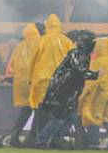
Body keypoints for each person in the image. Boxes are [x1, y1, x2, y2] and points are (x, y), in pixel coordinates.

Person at [36, 30, 99, 149]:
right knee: (60, 116)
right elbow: (79, 71)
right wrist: (95, 75)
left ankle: (55, 139)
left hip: (69, 90)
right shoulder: (77, 54)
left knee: (70, 117)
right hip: (64, 89)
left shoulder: (81, 54)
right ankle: (43, 140)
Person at [26, 14, 74, 145]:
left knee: (42, 111)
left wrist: (30, 78)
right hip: (61, 82)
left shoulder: (41, 41)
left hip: (42, 80)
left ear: (47, 25)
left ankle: (39, 139)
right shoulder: (67, 41)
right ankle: (55, 139)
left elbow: (32, 61)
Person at [79, 37, 108, 150]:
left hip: (99, 93)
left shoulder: (98, 62)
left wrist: (83, 93)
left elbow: (92, 80)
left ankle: (93, 143)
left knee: (94, 116)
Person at [5, 22, 40, 147]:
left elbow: (12, 64)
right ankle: (32, 137)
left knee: (25, 110)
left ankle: (14, 136)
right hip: (35, 82)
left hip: (21, 83)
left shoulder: (19, 46)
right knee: (39, 110)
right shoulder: (40, 44)